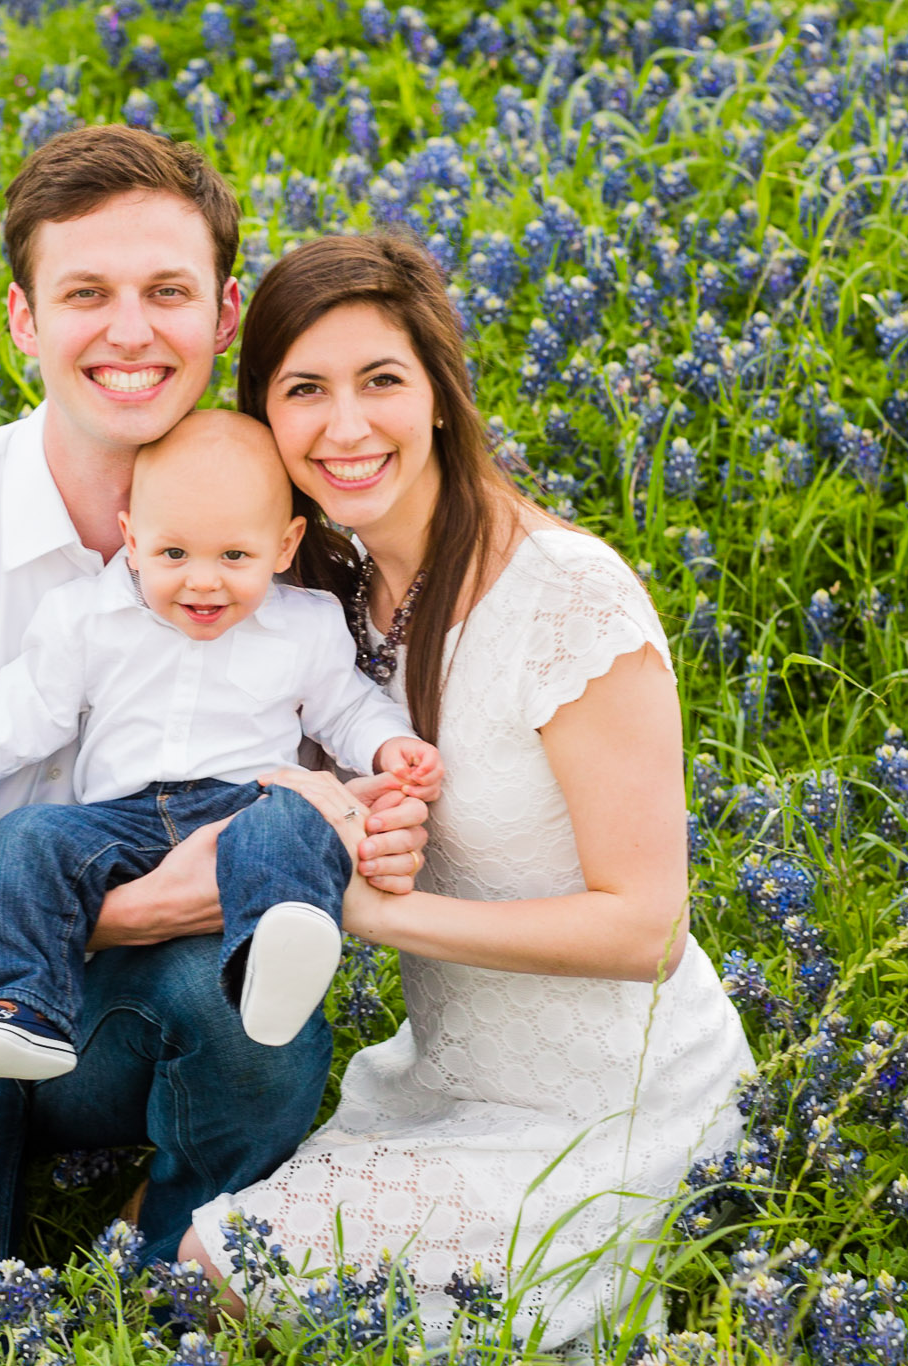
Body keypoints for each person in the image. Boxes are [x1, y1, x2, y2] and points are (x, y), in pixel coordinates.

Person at [0, 127, 433, 1353]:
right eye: (85, 293)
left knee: (241, 994)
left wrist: (376, 800)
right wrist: (126, 910)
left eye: (166, 293)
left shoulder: (297, 530)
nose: (129, 332)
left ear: (224, 312)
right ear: (24, 320)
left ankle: (166, 1257)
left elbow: (353, 732)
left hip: (141, 1004)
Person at [174, 232, 759, 1353]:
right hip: (440, 1077)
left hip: (617, 1110)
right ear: (266, 418)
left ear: (439, 392)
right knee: (174, 1255)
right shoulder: (327, 603)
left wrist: (367, 912)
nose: (345, 427)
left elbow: (645, 926)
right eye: (304, 389)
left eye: (380, 380)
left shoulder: (567, 599)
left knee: (217, 1268)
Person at [0, 410, 444, 1079]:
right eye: (173, 554)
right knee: (25, 837)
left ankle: (270, 959)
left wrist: (390, 746)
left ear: (286, 545)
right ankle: (23, 1007)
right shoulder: (86, 620)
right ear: (132, 538)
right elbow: (13, 718)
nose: (202, 581)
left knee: (293, 822)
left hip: (243, 806)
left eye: (235, 556)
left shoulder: (307, 627)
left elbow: (346, 710)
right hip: (122, 822)